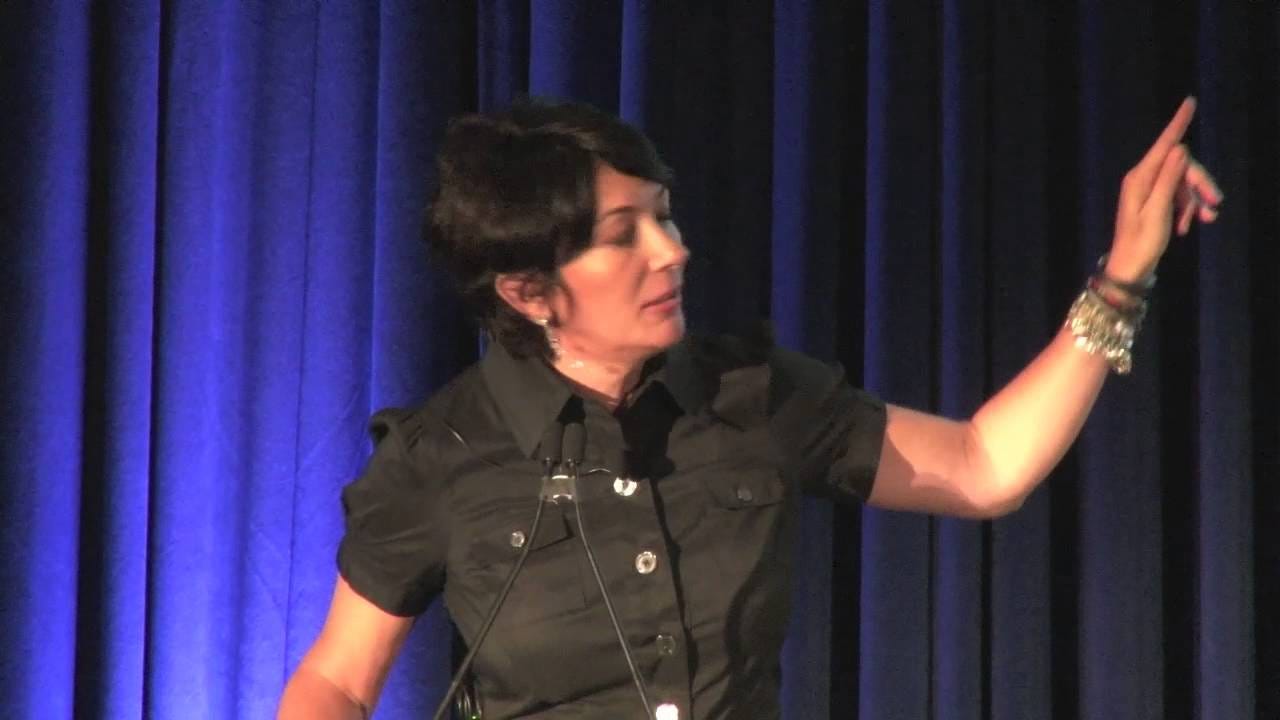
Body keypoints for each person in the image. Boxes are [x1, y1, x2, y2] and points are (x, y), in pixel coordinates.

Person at [277, 97, 1221, 719]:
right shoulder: (441, 454)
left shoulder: (754, 396)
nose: (672, 250)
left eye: (665, 214)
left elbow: (983, 467)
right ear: (530, 293)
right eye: (624, 235)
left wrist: (1123, 278)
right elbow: (336, 680)